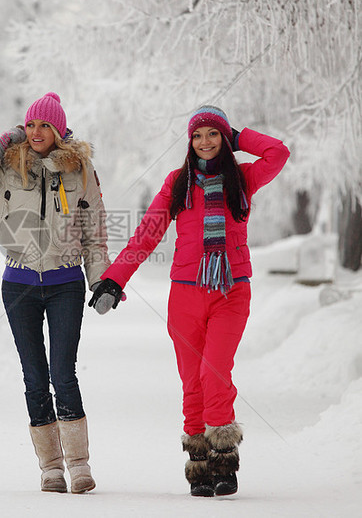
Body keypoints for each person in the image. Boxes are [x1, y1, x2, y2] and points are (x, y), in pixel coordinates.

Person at [89, 105, 290, 497]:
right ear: (189, 142)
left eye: (213, 134)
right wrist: (114, 279)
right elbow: (147, 234)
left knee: (214, 373)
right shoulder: (178, 182)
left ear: (224, 137)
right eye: (198, 135)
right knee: (191, 382)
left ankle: (224, 462)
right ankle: (199, 465)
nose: (205, 142)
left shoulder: (243, 178)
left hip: (231, 291)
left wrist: (239, 136)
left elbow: (278, 153)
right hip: (185, 294)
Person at [0, 92, 110, 494]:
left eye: (45, 125)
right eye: (31, 125)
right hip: (18, 284)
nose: (37, 132)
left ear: (59, 130)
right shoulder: (8, 166)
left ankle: (80, 464)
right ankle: (51, 468)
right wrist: (1, 143)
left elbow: (95, 230)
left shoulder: (80, 169)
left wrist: (102, 280)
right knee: (35, 378)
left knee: (63, 374)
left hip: (65, 283)